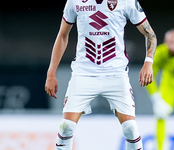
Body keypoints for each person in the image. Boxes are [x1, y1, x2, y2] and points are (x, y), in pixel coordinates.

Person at [45, 0, 157, 149]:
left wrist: (148, 62)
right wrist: (51, 73)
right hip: (83, 74)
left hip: (116, 74)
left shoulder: (127, 2)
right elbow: (63, 35)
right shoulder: (75, 2)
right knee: (66, 126)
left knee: (130, 128)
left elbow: (150, 34)